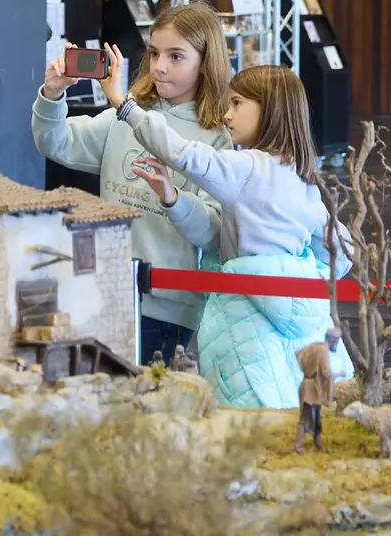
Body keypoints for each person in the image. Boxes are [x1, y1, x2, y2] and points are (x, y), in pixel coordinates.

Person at [111, 60, 355, 409]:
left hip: (239, 319)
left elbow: (181, 153)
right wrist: (298, 270)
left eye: (237, 103)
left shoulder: (246, 168)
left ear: (269, 108)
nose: (227, 115)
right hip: (287, 321)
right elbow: (342, 253)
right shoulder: (303, 178)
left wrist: (127, 106)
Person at [32, 1, 232, 366]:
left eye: (176, 56)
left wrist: (173, 198)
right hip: (104, 289)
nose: (159, 66)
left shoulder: (217, 139)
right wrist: (52, 94)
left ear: (206, 62)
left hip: (167, 305)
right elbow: (55, 142)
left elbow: (215, 232)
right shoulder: (121, 117)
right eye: (155, 53)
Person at [295, 328, 342, 453]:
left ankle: (317, 442)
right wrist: (338, 374)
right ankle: (298, 445)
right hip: (312, 388)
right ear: (334, 341)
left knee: (316, 415)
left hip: (309, 385)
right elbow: (326, 372)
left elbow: (298, 354)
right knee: (306, 416)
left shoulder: (315, 346)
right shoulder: (323, 350)